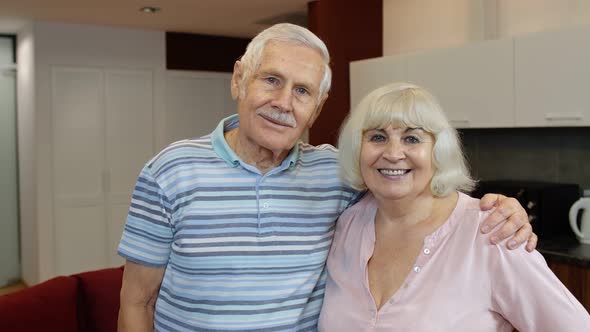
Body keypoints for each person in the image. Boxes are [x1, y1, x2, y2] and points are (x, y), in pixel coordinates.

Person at [117, 24, 536, 332]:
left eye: (303, 91)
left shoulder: (337, 174)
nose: (284, 102)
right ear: (239, 79)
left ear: (317, 108)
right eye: (271, 80)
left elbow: (413, 190)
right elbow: (137, 301)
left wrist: (497, 207)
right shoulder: (169, 171)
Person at [318, 82, 590, 331]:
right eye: (377, 137)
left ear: (439, 149)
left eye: (412, 138)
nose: (392, 153)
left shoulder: (491, 232)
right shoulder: (348, 224)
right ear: (358, 148)